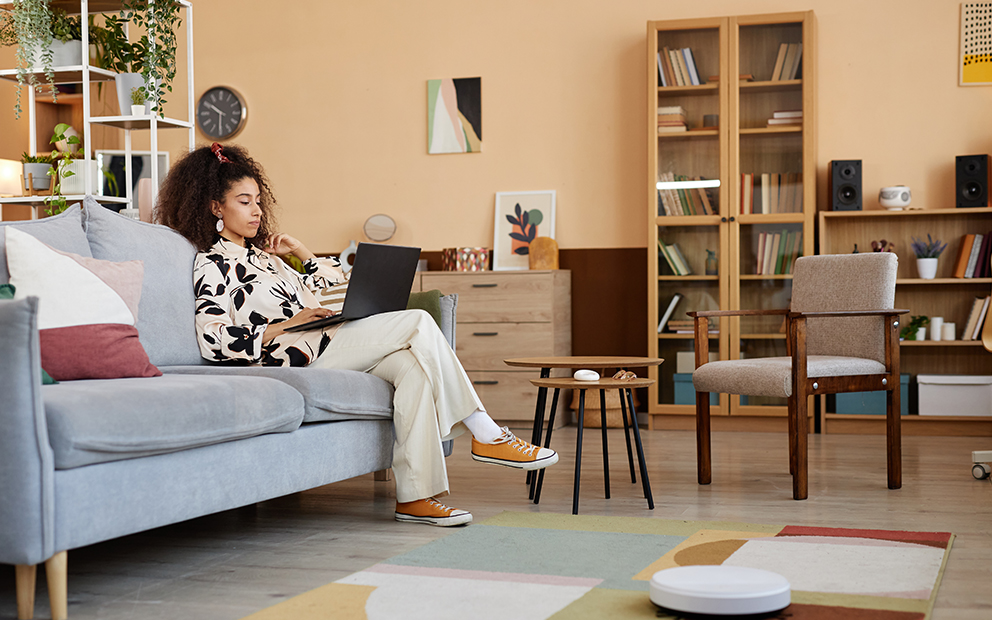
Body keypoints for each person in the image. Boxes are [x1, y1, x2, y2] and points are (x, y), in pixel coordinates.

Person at [155, 143, 557, 527]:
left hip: (326, 337)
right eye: (245, 202)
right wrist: (281, 326)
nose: (257, 210)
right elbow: (212, 338)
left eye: (259, 200)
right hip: (296, 353)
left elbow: (336, 287)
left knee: (412, 368)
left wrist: (303, 254)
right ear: (215, 207)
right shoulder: (212, 263)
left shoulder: (269, 258)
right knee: (417, 321)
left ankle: (415, 498)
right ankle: (486, 432)